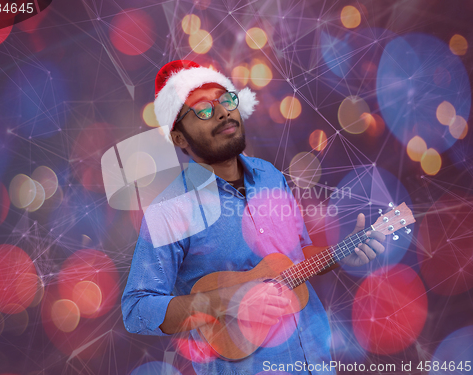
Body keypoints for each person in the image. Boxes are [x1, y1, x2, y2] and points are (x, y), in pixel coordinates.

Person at [121, 60, 385, 374]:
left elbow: (298, 257)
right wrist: (227, 300)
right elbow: (136, 309)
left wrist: (343, 254)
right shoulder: (169, 211)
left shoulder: (271, 176)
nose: (222, 112)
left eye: (226, 99)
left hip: (317, 356)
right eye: (203, 109)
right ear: (179, 138)